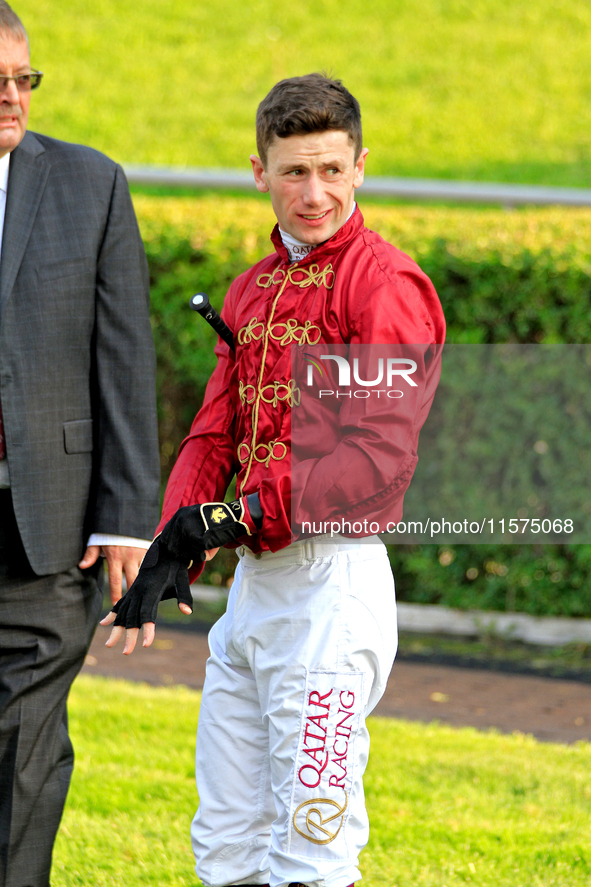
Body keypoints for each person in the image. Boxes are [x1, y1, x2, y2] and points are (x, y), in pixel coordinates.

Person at [105, 73, 445, 887]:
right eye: (294, 171)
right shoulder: (251, 286)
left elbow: (377, 456)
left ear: (360, 165)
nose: (314, 192)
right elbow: (216, 427)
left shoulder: (384, 284)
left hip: (332, 582)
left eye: (331, 170)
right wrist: (173, 537)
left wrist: (230, 516)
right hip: (256, 589)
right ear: (259, 170)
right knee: (224, 840)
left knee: (311, 844)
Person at [0, 3, 160, 886]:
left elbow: (124, 354)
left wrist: (129, 515)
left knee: (25, 749)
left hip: (47, 524)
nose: (13, 99)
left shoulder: (89, 183)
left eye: (25, 78)